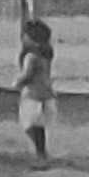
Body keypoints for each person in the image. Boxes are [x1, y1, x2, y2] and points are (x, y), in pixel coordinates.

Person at [16, 19, 58, 163]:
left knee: (29, 125)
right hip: (47, 95)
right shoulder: (46, 55)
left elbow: (28, 75)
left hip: (33, 96)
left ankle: (41, 153)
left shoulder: (31, 57)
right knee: (39, 126)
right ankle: (42, 152)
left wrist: (18, 83)